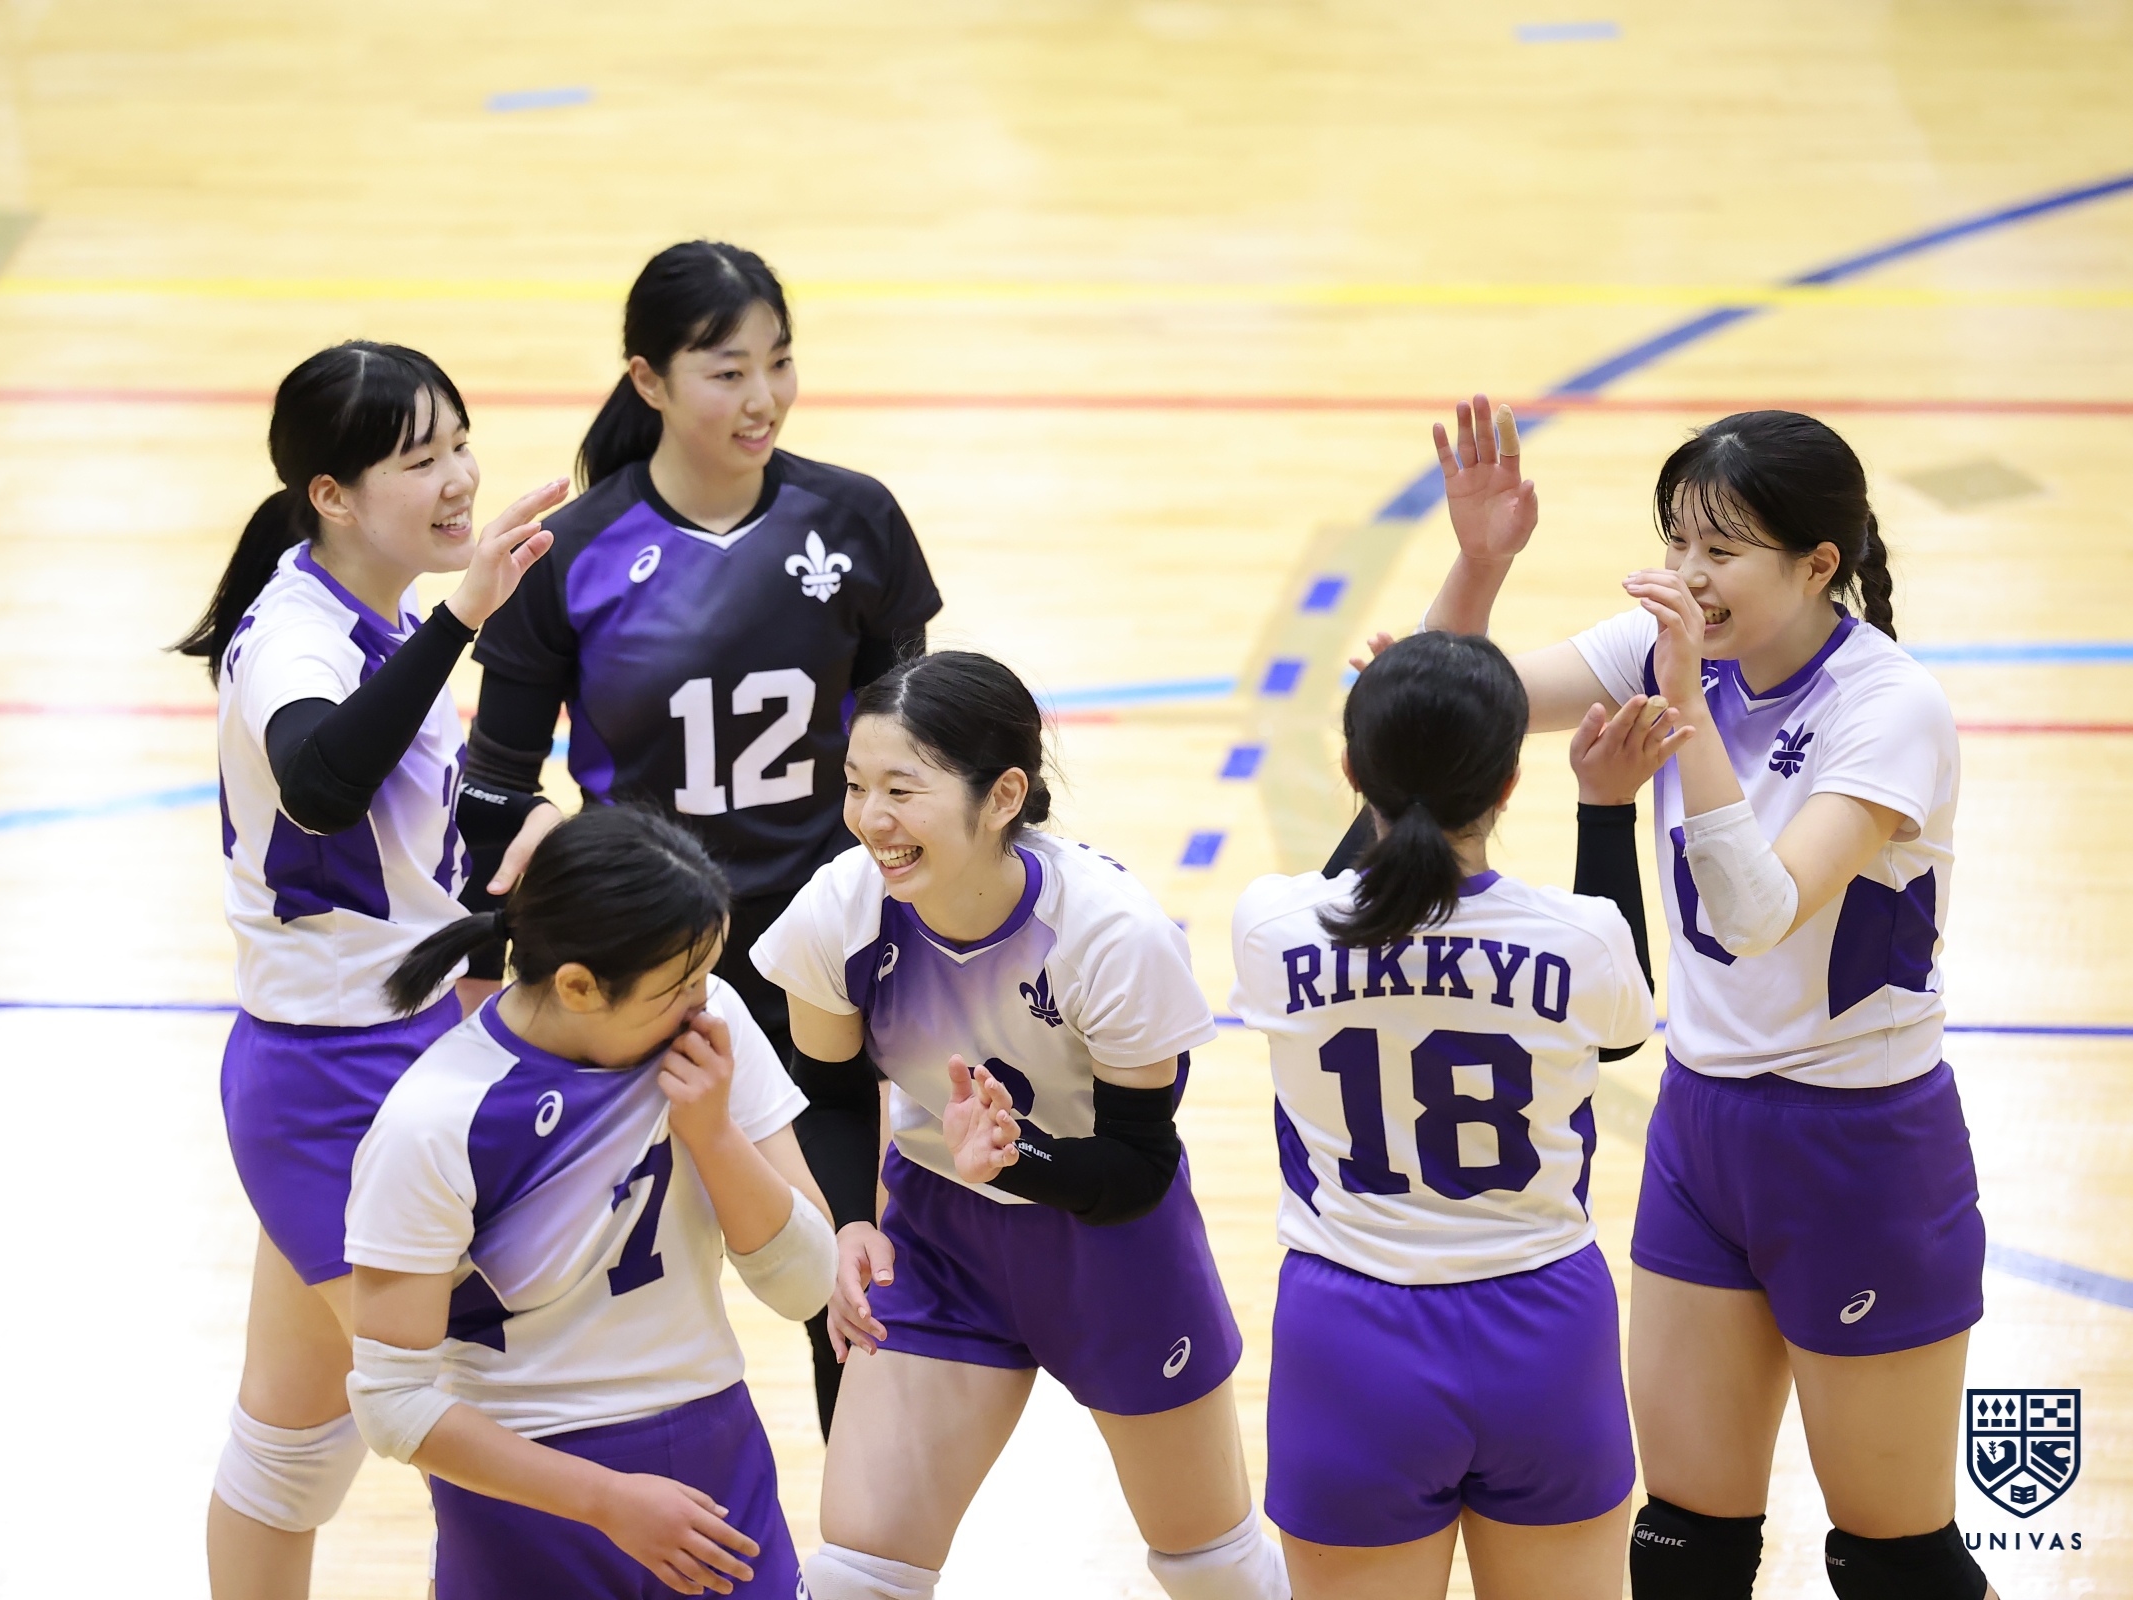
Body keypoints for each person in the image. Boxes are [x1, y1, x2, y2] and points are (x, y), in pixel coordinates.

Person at [1425, 398, 1991, 1600]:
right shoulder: (1673, 651)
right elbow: (1441, 723)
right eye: (1676, 539)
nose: (1686, 574)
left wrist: (1681, 701)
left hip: (1861, 1145)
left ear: (1818, 564)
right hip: (1705, 1128)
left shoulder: (1888, 707)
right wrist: (1479, 564)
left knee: (1894, 1562)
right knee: (1683, 1541)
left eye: (1721, 548)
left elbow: (1757, 910)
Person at [461, 239, 942, 1436]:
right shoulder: (571, 554)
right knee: (598, 1295)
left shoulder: (853, 521)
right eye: (727, 372)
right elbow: (494, 782)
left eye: (781, 362)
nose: (764, 398)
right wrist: (521, 865)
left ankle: (865, 1536)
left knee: (853, 1292)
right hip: (639, 976)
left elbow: (916, 751)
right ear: (649, 380)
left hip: (818, 962)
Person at [748, 649, 1285, 1600]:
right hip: (934, 1238)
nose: (871, 818)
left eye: (902, 790)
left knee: (1212, 1568)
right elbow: (829, 1093)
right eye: (856, 785)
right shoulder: (840, 909)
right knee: (856, 1575)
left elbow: (1139, 1163)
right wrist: (849, 1223)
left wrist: (1016, 1161)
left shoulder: (1110, 933)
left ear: (1002, 796)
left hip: (1111, 1244)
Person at [172, 339, 566, 1598]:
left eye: (460, 443)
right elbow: (326, 785)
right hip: (331, 1078)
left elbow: (405, 825)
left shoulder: (376, 607)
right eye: (419, 459)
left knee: (288, 1450)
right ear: (332, 495)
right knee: (495, 1415)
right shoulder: (294, 638)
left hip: (398, 1044)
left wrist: (519, 831)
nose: (458, 478)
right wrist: (462, 621)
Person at [1231, 629, 1686, 1598]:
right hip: (1544, 1331)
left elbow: (1355, 891)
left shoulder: (1270, 926)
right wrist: (1606, 809)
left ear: (1353, 773)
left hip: (1350, 1337)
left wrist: (1394, 740)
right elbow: (1618, 1037)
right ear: (1511, 781)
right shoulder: (1584, 939)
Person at [343, 805, 836, 1599]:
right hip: (529, 1497)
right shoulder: (434, 1121)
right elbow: (391, 1404)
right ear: (577, 985)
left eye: (706, 973)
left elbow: (809, 1285)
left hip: (715, 1452)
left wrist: (714, 1135)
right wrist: (604, 1500)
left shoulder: (710, 1032)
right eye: (677, 986)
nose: (702, 1001)